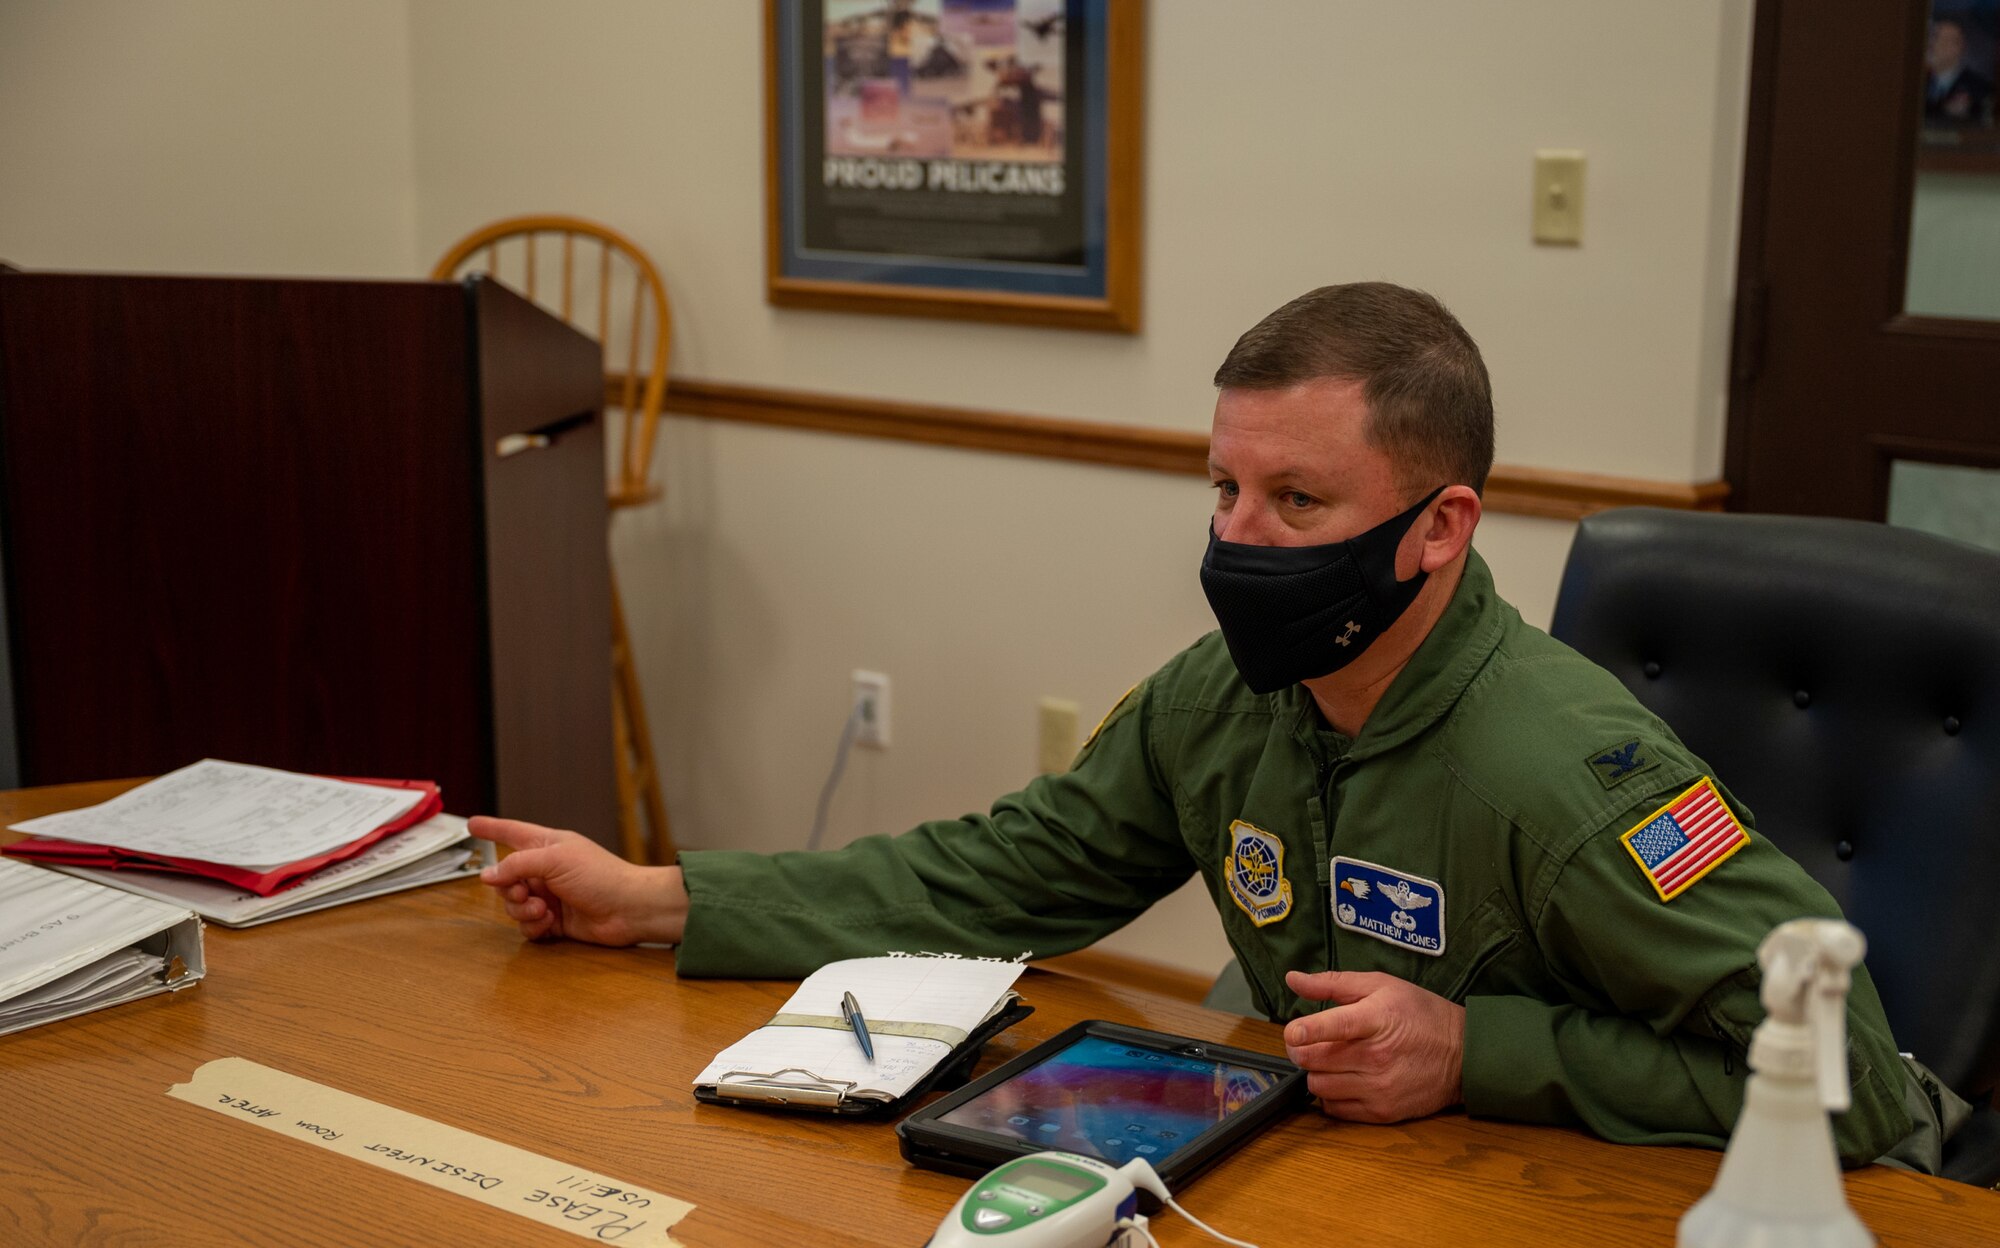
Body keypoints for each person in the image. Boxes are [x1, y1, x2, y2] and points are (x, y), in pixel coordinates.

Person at [472, 283, 1958, 1172]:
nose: (1242, 541)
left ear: (1441, 528)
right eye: (1224, 493)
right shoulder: (1226, 696)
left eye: (1298, 504)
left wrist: (1480, 1050)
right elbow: (994, 875)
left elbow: (1859, 1086)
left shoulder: (1565, 776)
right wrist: (659, 897)